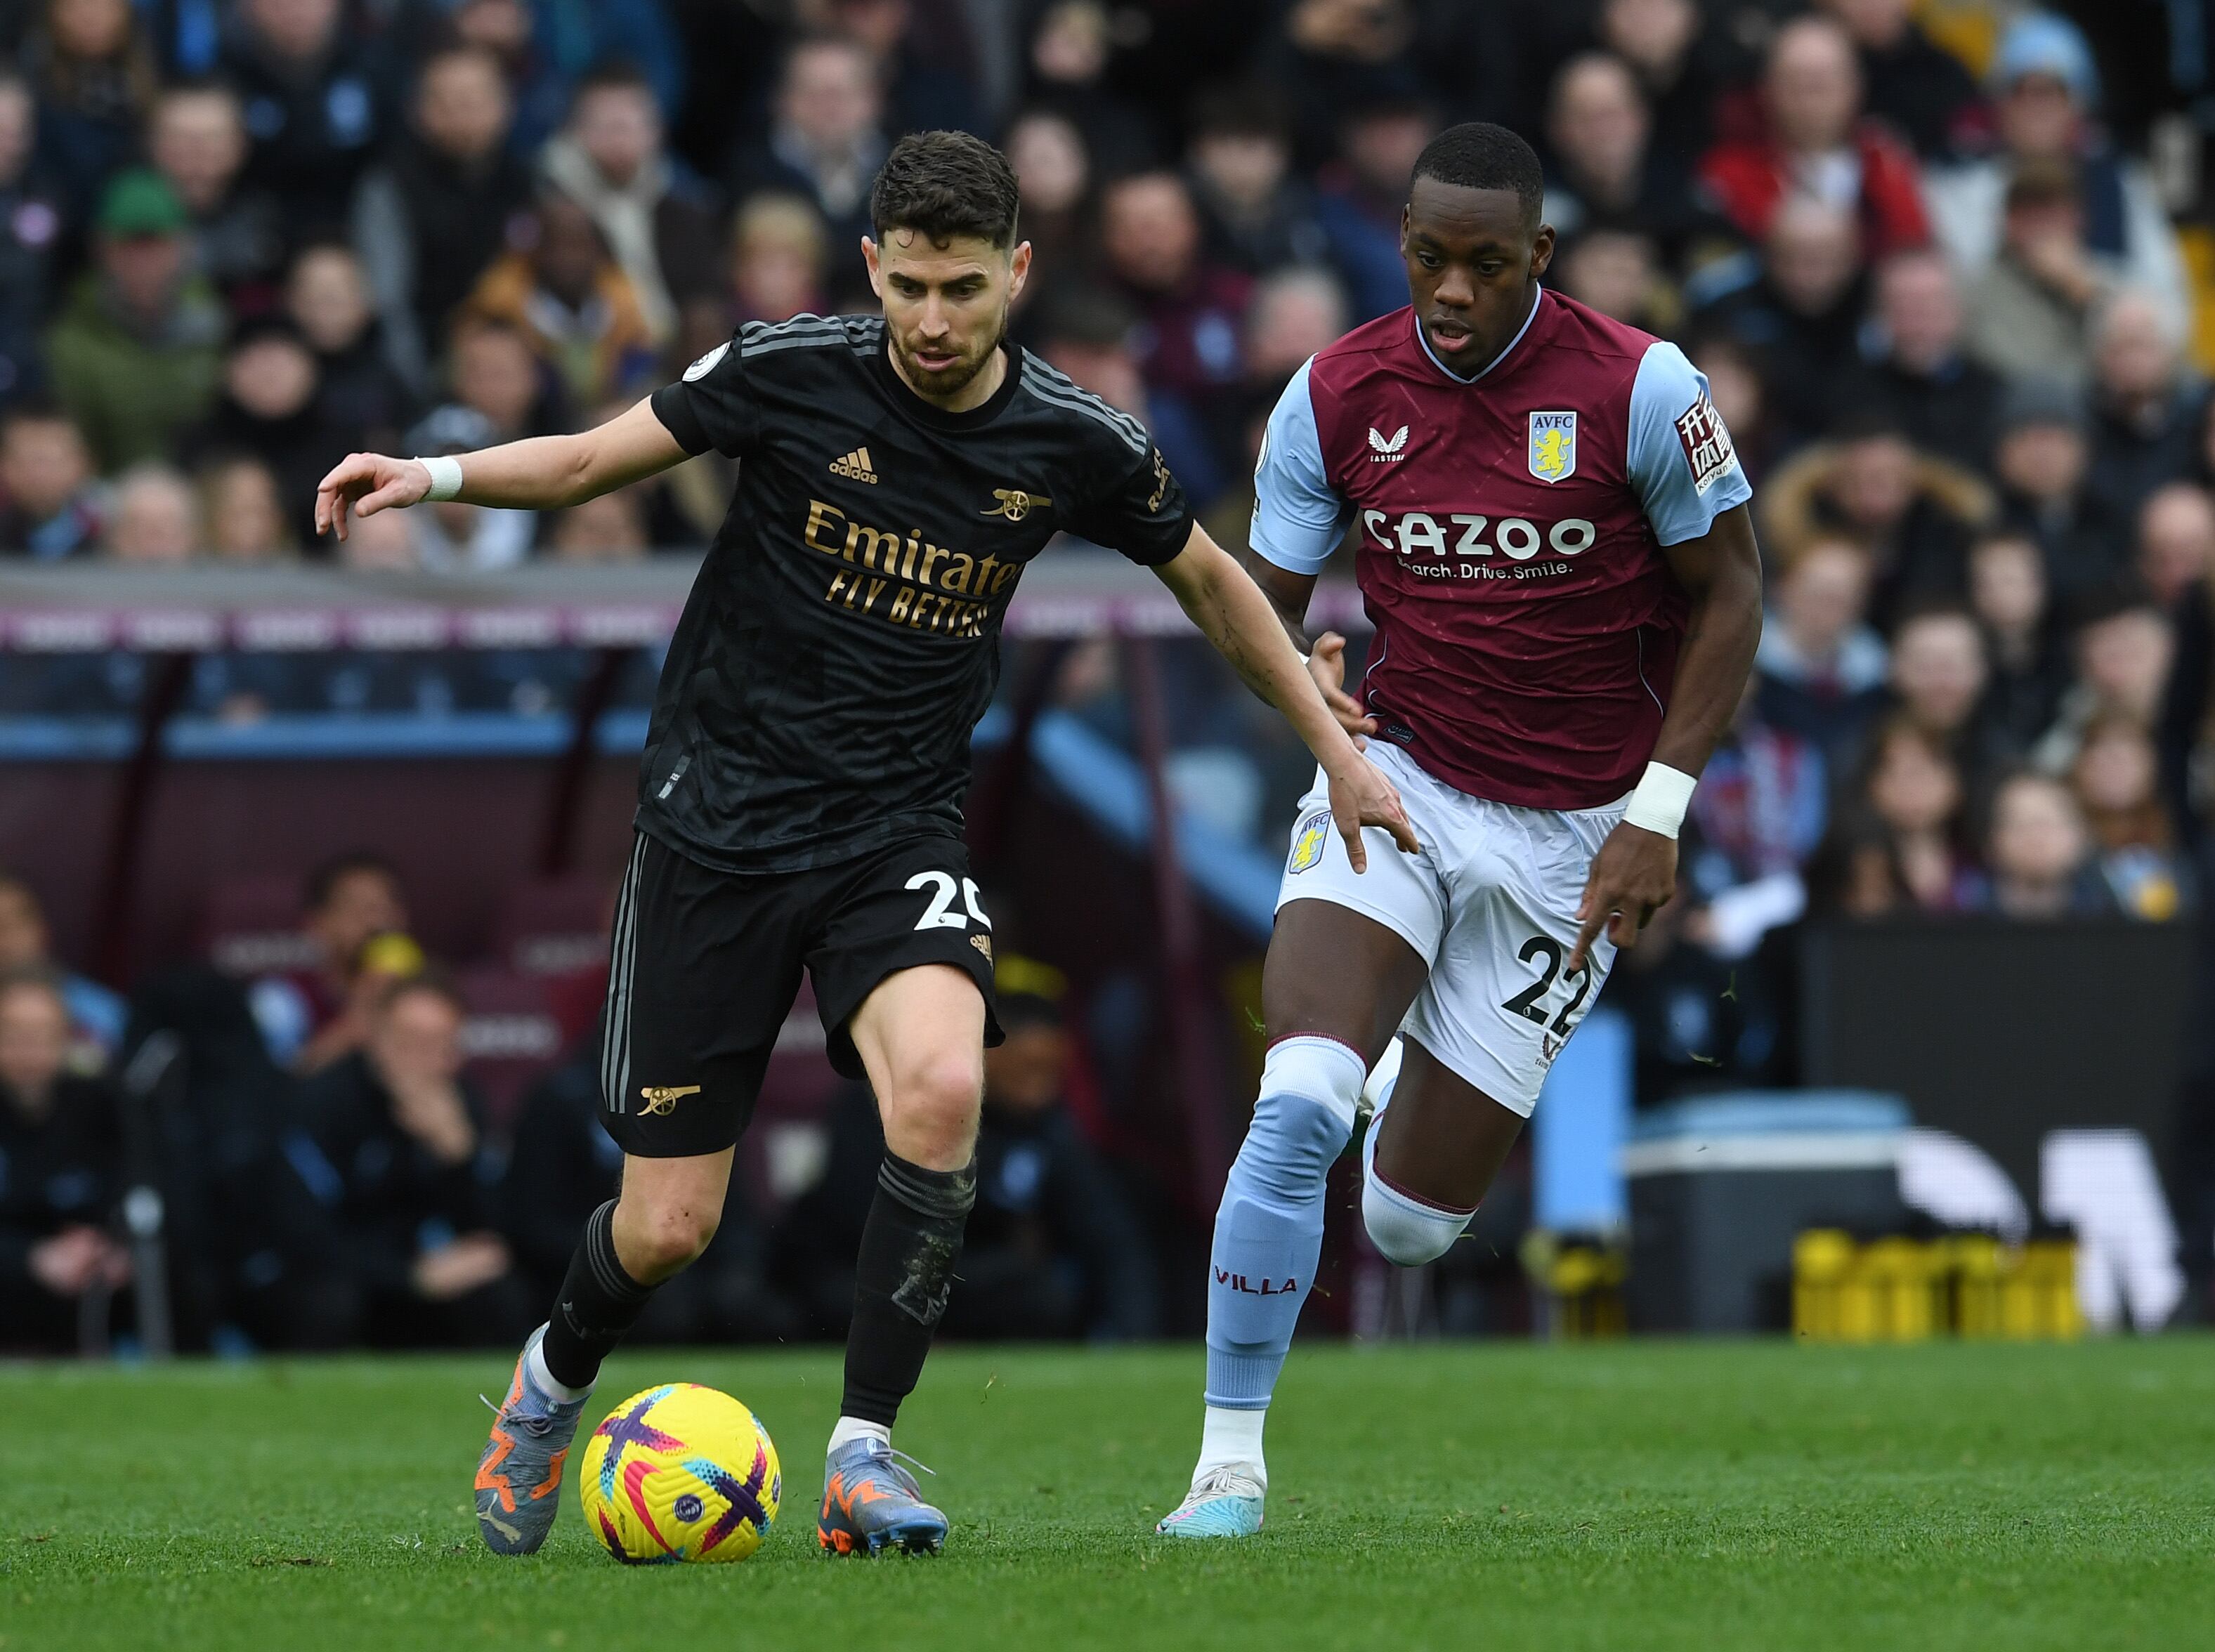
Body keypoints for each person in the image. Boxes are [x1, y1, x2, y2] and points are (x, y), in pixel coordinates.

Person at [315, 129, 1411, 1561]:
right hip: (716, 824)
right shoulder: (785, 370)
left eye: (964, 287)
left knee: (947, 1085)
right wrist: (437, 476)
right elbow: (589, 461)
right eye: (911, 288)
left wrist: (1334, 753)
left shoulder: (1073, 438)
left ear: (1015, 273)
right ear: (870, 272)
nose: (937, 320)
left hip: (893, 830)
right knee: (663, 1232)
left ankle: (859, 1455)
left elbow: (1209, 583)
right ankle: (543, 1393)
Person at [1154, 123, 1759, 1538]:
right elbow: (1263, 600)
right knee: (1293, 1099)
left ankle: (1390, 1092)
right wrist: (1305, 684)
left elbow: (1731, 595)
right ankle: (1224, 1470)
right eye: (1429, 258)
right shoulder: (1330, 392)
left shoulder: (1642, 387)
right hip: (1402, 786)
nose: (1450, 293)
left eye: (1486, 266)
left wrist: (1656, 820)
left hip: (1580, 835)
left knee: (1410, 1223)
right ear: (1404, 244)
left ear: (1537, 258)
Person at [302, 973, 535, 1348]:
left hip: (439, 1274)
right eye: (411, 1043)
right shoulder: (327, 1104)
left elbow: (498, 1230)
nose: (426, 1061)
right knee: (327, 1300)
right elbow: (310, 1233)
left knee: (505, 1295)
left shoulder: (464, 1102)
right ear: (376, 1041)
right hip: (365, 1276)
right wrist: (408, 1276)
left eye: (441, 1045)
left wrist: (459, 1156)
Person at [0, 969, 128, 1354]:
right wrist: (31, 1258)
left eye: (44, 1034)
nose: (29, 1049)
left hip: (87, 1285)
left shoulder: (100, 1105)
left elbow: (133, 1190)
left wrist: (110, 1248)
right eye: (13, 1034)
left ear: (67, 1039)